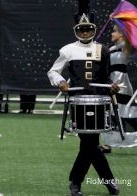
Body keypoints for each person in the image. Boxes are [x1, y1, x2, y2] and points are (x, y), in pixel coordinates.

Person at [47, 13, 120, 196]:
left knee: (89, 145)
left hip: (99, 101)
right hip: (78, 101)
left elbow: (106, 77)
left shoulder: (103, 50)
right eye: (81, 29)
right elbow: (53, 72)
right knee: (90, 144)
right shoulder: (67, 50)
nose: (85, 32)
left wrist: (112, 87)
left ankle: (76, 182)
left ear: (94, 30)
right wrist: (61, 82)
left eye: (88, 29)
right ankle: (107, 182)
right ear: (76, 30)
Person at [100, 24, 137, 152]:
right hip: (110, 83)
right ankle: (107, 144)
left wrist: (118, 20)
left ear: (122, 34)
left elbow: (130, 38)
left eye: (115, 31)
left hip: (122, 85)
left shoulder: (125, 46)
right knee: (110, 113)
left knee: (127, 114)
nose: (111, 34)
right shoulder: (110, 48)